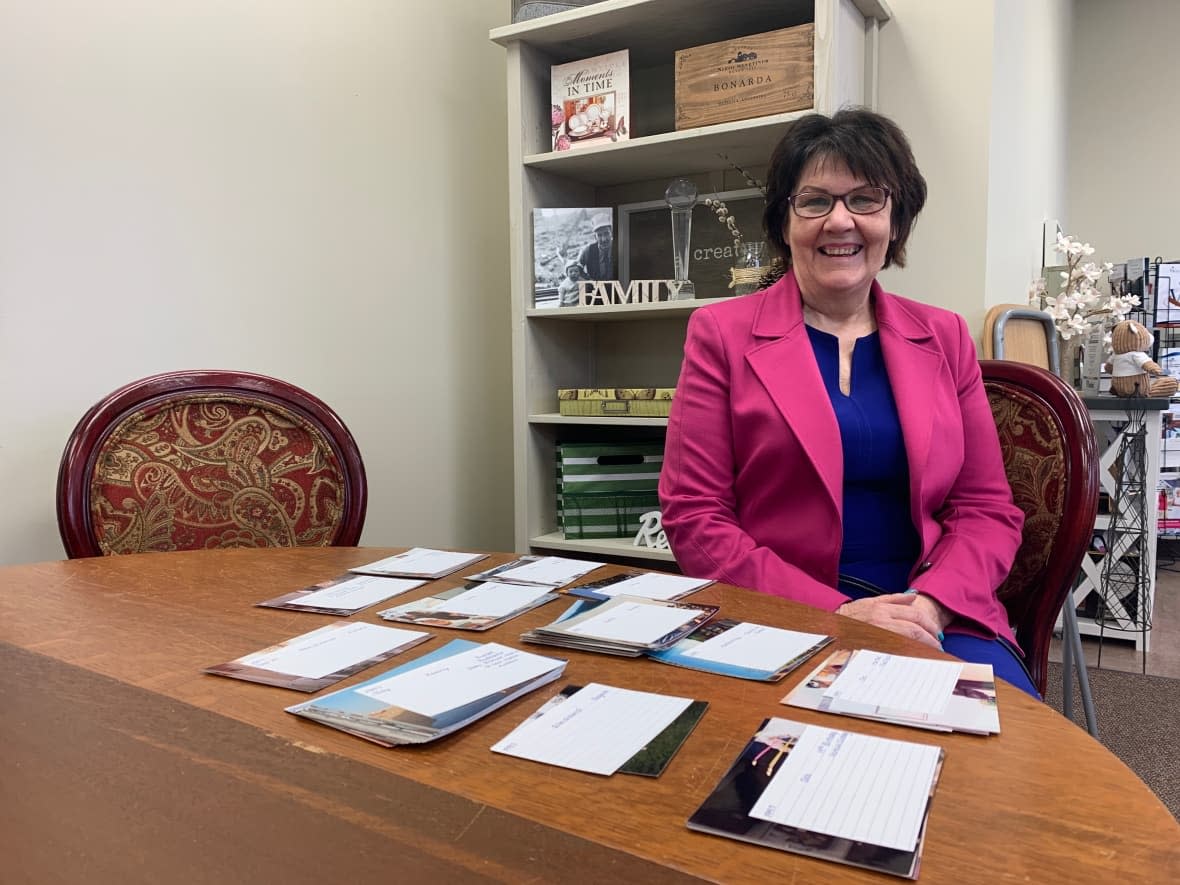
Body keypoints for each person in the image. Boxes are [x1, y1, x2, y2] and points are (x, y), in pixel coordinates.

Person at [658, 108, 1038, 697]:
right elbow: (696, 517)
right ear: (785, 222)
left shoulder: (944, 336)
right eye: (814, 201)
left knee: (996, 760)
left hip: (932, 609)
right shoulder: (720, 333)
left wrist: (931, 607)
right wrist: (835, 614)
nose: (840, 221)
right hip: (780, 613)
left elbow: (986, 507)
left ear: (896, 220)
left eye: (865, 199)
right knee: (768, 770)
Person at [578, 215, 614, 280]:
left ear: (611, 233)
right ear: (595, 237)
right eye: (599, 235)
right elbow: (577, 268)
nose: (604, 239)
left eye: (606, 233)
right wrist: (588, 280)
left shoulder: (621, 247)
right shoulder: (588, 250)